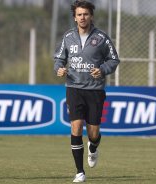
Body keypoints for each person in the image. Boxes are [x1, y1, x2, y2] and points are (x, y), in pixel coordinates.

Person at [53, 1, 120, 182]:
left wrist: (103, 70)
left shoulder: (102, 38)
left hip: (95, 90)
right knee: (75, 127)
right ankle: (80, 172)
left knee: (93, 133)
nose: (82, 17)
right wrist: (59, 69)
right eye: (79, 14)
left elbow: (114, 60)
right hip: (74, 88)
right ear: (75, 17)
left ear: (91, 16)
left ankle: (93, 146)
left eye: (86, 14)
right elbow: (58, 59)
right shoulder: (67, 37)